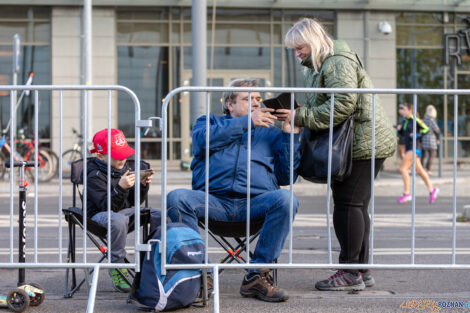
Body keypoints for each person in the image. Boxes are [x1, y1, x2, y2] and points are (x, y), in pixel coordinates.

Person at [281, 18, 396, 291]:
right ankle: (359, 269)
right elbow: (329, 102)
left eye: (300, 47)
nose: (297, 53)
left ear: (314, 40)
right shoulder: (321, 63)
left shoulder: (336, 60)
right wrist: (300, 110)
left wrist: (300, 115)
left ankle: (350, 271)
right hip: (360, 142)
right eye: (294, 49)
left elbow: (343, 103)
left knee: (348, 205)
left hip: (362, 143)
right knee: (355, 206)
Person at [166, 78, 301, 302]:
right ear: (230, 104)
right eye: (248, 99)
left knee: (286, 198)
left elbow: (286, 177)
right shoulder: (208, 122)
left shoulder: (272, 133)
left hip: (255, 204)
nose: (257, 104)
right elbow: (201, 142)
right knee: (177, 197)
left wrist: (290, 134)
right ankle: (197, 274)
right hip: (213, 202)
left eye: (258, 99)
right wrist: (247, 122)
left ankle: (257, 276)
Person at [85, 128, 160, 293]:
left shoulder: (123, 169)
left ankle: (156, 262)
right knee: (117, 220)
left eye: (124, 153)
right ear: (100, 156)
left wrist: (142, 185)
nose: (123, 158)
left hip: (123, 213)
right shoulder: (94, 176)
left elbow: (134, 202)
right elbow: (107, 207)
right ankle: (117, 266)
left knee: (157, 215)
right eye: (117, 156)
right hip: (99, 216)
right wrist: (120, 188)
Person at [397, 103, 439, 204]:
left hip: (414, 148)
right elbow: (402, 134)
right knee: (420, 171)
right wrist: (399, 130)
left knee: (403, 169)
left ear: (410, 110)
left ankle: (406, 193)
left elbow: (426, 129)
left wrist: (417, 134)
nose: (403, 111)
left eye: (405, 109)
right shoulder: (405, 121)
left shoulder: (415, 119)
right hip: (409, 148)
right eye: (403, 109)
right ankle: (432, 189)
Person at [422, 105, 441, 175]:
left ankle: (422, 169)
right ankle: (427, 169)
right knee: (432, 154)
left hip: (424, 139)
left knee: (423, 155)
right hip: (430, 139)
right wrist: (438, 138)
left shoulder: (424, 119)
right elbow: (437, 129)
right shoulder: (431, 120)